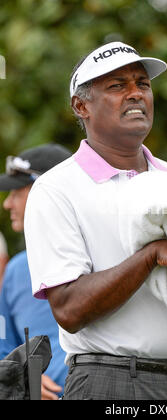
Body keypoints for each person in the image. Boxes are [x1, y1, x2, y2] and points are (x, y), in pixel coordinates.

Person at [24, 42, 167, 400]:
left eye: (142, 84)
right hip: (112, 382)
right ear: (81, 105)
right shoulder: (56, 188)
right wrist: (154, 253)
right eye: (117, 86)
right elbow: (68, 308)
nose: (135, 94)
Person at [0, 144, 71, 400]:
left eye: (16, 192)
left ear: (47, 191)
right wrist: (19, 374)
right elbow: (2, 343)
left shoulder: (105, 255)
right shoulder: (16, 270)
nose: (8, 203)